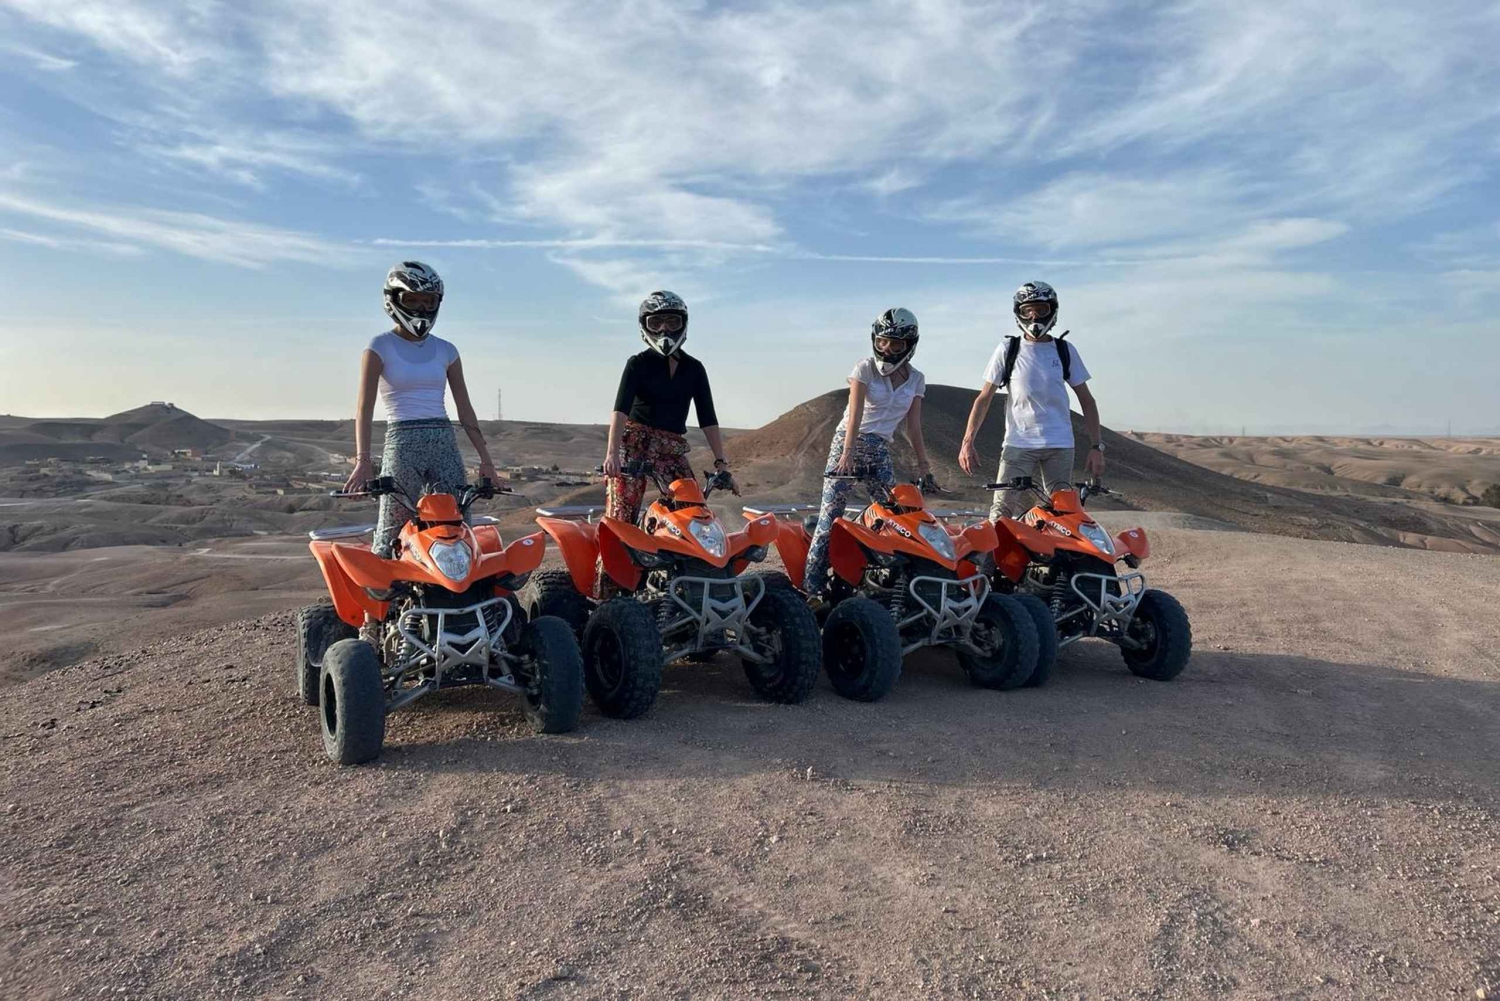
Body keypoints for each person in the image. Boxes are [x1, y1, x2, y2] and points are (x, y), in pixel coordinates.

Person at [343, 261, 499, 557]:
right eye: (412, 299)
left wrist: (487, 462)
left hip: (444, 440)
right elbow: (364, 407)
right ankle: (381, 602)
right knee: (391, 530)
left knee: (458, 524)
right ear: (394, 299)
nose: (421, 308)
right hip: (402, 442)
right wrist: (363, 460)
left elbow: (465, 410)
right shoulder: (379, 346)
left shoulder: (446, 350)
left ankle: (465, 598)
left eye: (428, 301)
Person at [803, 308, 934, 598]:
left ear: (910, 345)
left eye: (895, 344)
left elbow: (914, 428)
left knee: (895, 515)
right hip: (847, 441)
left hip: (879, 447)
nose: (887, 349)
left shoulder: (916, 379)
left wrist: (924, 467)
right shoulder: (864, 368)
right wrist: (846, 454)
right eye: (883, 342)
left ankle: (885, 583)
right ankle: (811, 589)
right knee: (830, 516)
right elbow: (855, 413)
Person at [958, 280, 1104, 521]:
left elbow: (1087, 401)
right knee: (1002, 510)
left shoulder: (1064, 350)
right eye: (1028, 310)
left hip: (1060, 443)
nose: (1034, 315)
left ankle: (1052, 558)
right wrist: (967, 442)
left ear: (1052, 311)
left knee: (1063, 512)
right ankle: (996, 558)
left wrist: (1097, 447)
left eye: (1041, 309)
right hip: (1019, 443)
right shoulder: (1008, 349)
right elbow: (984, 398)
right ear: (1019, 313)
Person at [602, 289, 737, 533]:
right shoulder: (637, 364)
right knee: (621, 515)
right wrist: (612, 455)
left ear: (683, 324)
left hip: (670, 447)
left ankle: (682, 565)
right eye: (656, 322)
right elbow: (620, 410)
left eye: (672, 321)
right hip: (634, 444)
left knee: (691, 506)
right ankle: (610, 571)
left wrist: (721, 462)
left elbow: (708, 417)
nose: (664, 329)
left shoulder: (694, 368)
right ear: (645, 326)